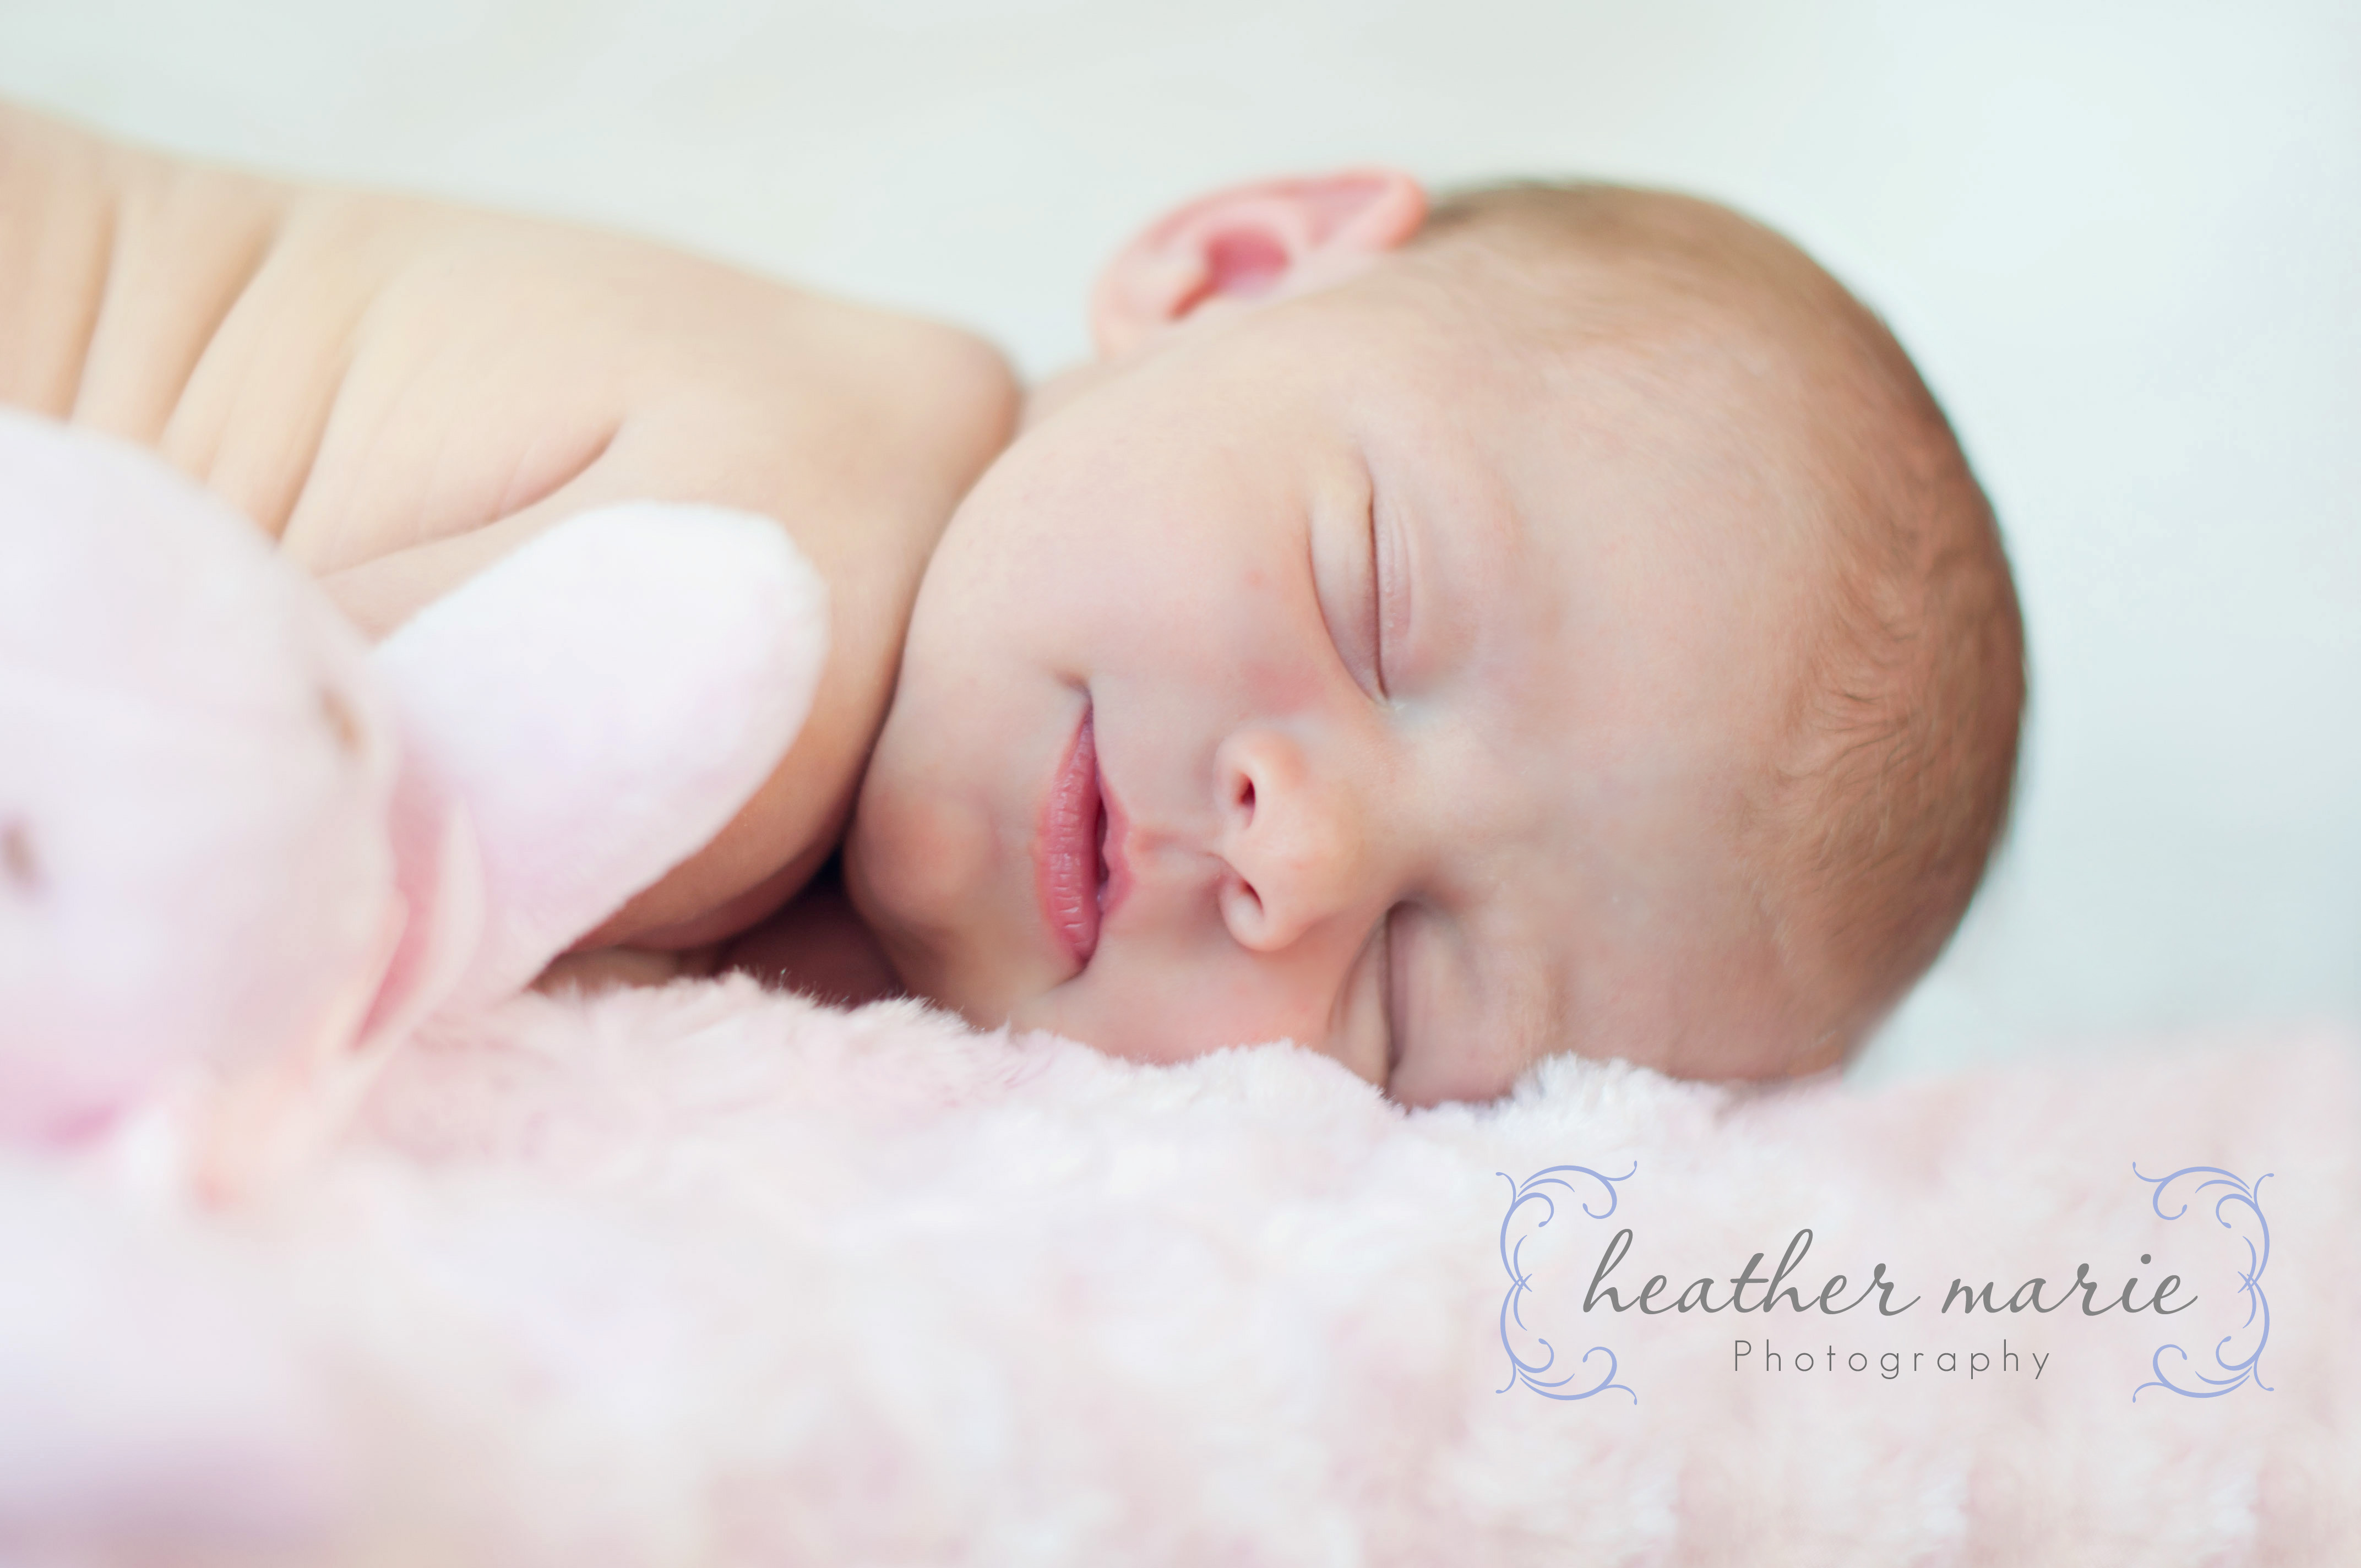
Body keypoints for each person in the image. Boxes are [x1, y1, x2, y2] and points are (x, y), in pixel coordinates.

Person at [0, 104, 2023, 1107]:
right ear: (1230, 274)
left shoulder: (892, 1010)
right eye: (1375, 605)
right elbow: (141, 798)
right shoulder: (794, 566)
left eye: (1415, 1000)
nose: (1303, 854)